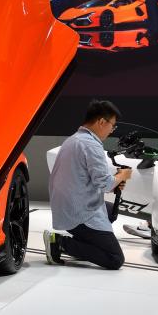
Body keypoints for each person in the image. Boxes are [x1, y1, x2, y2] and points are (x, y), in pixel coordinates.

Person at [44, 99, 132, 270]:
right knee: (115, 259)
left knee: (110, 212)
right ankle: (60, 243)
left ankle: (86, 245)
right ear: (101, 122)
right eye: (112, 126)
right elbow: (105, 185)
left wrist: (115, 181)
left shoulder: (74, 139)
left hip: (66, 206)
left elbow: (92, 179)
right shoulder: (91, 145)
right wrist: (122, 175)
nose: (112, 130)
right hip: (79, 212)